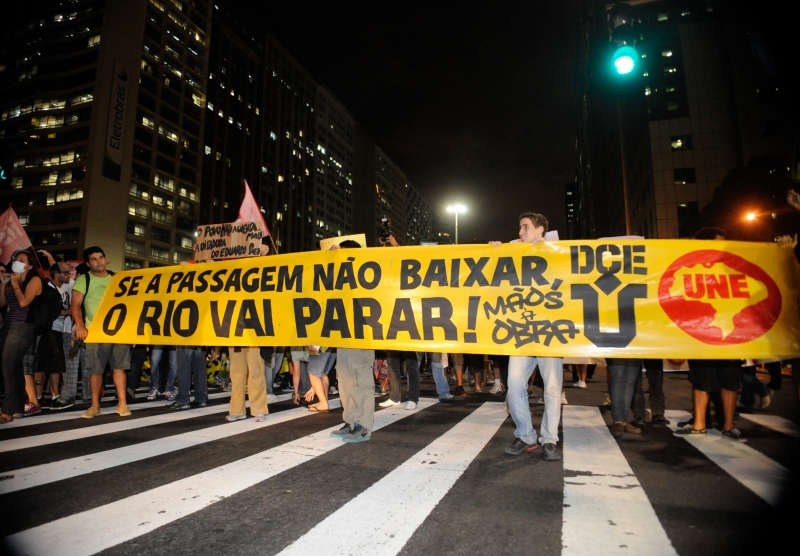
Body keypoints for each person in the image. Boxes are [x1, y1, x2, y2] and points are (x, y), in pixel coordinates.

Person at [489, 212, 562, 461]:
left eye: (526, 227)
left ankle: (549, 438)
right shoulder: (513, 249)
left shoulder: (556, 248)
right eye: (520, 227)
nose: (521, 232)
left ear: (541, 229)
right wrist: (495, 251)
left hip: (549, 329)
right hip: (521, 330)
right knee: (515, 386)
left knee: (552, 389)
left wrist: (548, 250)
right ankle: (526, 435)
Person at [675, 228, 745, 441]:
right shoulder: (691, 269)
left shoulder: (732, 268)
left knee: (730, 381)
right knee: (701, 380)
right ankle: (699, 425)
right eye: (718, 243)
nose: (722, 247)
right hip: (702, 334)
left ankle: (728, 426)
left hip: (728, 335)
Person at [71, 246, 131, 419]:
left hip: (118, 331)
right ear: (88, 263)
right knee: (95, 370)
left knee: (119, 368)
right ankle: (95, 406)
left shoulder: (117, 278)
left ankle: (122, 404)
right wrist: (80, 326)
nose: (99, 261)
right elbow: (75, 305)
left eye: (101, 257)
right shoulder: (84, 279)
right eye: (94, 259)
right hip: (95, 332)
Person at [328, 240, 377, 443]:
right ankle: (350, 421)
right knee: (346, 383)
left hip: (361, 337)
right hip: (343, 337)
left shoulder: (366, 276)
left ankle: (364, 426)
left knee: (361, 383)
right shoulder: (341, 279)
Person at [0, 249, 43, 422]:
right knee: (14, 367)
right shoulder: (13, 280)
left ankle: (8, 410)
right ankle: (17, 407)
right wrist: (4, 284)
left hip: (24, 326)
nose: (16, 261)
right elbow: (3, 303)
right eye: (15, 259)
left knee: (8, 364)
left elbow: (24, 302)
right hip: (9, 325)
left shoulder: (35, 280)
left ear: (29, 265)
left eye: (21, 259)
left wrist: (16, 284)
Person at [42, 263, 77, 410]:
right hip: (51, 329)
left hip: (61, 330)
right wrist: (70, 311)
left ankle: (55, 395)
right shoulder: (48, 288)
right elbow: (52, 311)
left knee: (57, 363)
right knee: (53, 363)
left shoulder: (63, 288)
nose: (68, 276)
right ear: (56, 274)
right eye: (65, 273)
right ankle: (54, 395)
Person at [166, 345, 208, 410]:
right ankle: (201, 398)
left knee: (183, 366)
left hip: (185, 337)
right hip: (199, 338)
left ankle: (183, 400)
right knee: (199, 366)